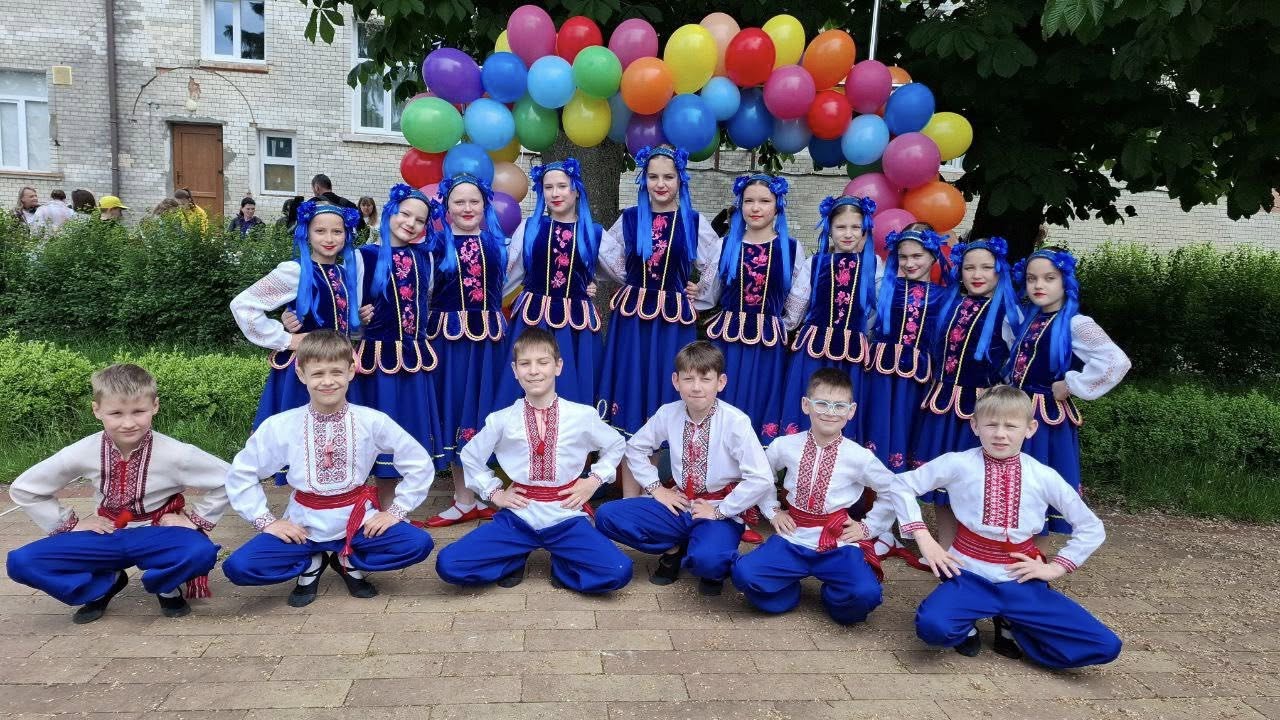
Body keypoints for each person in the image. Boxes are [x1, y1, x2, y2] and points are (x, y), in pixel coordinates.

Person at [893, 385, 1122, 669]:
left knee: (1105, 645)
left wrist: (1056, 568)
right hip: (968, 574)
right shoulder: (958, 464)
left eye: (1011, 426)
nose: (1000, 434)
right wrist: (924, 538)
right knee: (933, 626)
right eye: (991, 424)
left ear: (1030, 428)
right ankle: (967, 628)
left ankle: (1013, 621)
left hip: (1019, 579)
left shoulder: (1043, 476)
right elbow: (900, 485)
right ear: (975, 426)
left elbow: (1091, 527)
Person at [221, 331, 437, 607]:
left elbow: (418, 461)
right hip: (304, 525)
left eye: (336, 372)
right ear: (301, 374)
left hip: (358, 521)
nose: (327, 381)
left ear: (351, 371)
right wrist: (268, 522)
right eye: (318, 373)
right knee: (239, 567)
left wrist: (395, 511)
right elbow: (242, 472)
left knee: (417, 544)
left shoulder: (372, 421)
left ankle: (346, 558)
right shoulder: (281, 425)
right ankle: (311, 559)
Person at [5, 364, 230, 623]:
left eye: (139, 411)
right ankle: (104, 583)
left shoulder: (177, 453)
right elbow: (26, 487)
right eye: (116, 413)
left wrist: (194, 520)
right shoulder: (83, 450)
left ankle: (165, 586)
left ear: (155, 406)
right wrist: (70, 524)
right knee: (22, 562)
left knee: (200, 551)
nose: (128, 423)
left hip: (158, 531)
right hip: (106, 533)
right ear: (97, 410)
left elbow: (231, 479)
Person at [436, 328, 633, 593]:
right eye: (525, 364)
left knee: (618, 570)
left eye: (543, 362)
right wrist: (495, 493)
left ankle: (563, 562)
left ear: (558, 366)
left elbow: (616, 444)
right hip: (519, 514)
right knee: (449, 564)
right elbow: (471, 455)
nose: (534, 371)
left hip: (565, 514)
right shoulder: (502, 419)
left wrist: (593, 481)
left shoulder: (581, 415)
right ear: (515, 370)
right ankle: (513, 556)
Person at [731, 368, 916, 624]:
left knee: (866, 595)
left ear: (851, 411)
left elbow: (893, 488)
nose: (830, 412)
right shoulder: (784, 445)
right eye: (822, 404)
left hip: (838, 541)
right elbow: (762, 476)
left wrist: (869, 527)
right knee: (745, 574)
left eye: (839, 406)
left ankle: (834, 597)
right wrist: (773, 511)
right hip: (793, 536)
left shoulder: (859, 457)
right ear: (806, 405)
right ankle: (787, 593)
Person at [594, 341, 774, 596]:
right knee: (607, 516)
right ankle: (673, 550)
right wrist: (657, 489)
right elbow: (635, 448)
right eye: (688, 379)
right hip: (679, 503)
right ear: (676, 381)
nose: (696, 387)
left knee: (709, 562)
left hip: (718, 508)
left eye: (705, 379)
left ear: (721, 382)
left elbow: (761, 478)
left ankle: (711, 560)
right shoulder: (669, 413)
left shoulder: (736, 422)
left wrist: (720, 510)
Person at [595, 145, 721, 496]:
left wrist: (701, 290)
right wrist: (628, 281)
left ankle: (654, 492)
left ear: (681, 180)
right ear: (644, 180)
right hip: (632, 321)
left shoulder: (693, 222)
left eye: (668, 177)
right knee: (630, 392)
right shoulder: (630, 219)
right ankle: (629, 497)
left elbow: (718, 261)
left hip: (672, 324)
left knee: (661, 393)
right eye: (653, 177)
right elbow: (606, 255)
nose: (661, 184)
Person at [230, 200, 366, 485]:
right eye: (320, 231)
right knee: (302, 439)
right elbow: (243, 305)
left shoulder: (344, 273)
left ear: (346, 235)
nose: (329, 238)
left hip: (338, 369)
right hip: (304, 371)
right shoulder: (294, 271)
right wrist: (286, 338)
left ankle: (332, 494)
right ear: (307, 233)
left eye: (337, 232)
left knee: (332, 439)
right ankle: (305, 499)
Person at [1006, 247, 1130, 535]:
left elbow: (1116, 361)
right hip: (1017, 412)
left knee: (1037, 484)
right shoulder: (1028, 319)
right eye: (1032, 279)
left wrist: (1071, 384)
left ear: (1065, 281)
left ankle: (1034, 553)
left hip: (1044, 416)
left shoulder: (1076, 323)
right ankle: (1005, 548)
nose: (1039, 285)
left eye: (1049, 278)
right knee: (1014, 483)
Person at [912, 237, 1022, 547]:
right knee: (943, 479)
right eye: (969, 267)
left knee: (974, 479)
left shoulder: (1009, 313)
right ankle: (947, 547)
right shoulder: (951, 304)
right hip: (944, 404)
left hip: (980, 411)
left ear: (999, 271)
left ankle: (976, 547)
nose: (977, 274)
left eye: (986, 267)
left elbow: (1018, 362)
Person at [420, 173, 510, 528]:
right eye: (459, 201)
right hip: (449, 342)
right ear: (447, 206)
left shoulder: (499, 243)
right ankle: (463, 499)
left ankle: (485, 491)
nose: (467, 208)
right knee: (458, 409)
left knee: (485, 411)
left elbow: (517, 278)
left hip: (489, 344)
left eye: (475, 201)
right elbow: (418, 288)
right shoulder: (434, 245)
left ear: (485, 205)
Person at [352, 184, 443, 508]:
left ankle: (403, 506)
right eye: (405, 214)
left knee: (410, 427)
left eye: (419, 220)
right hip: (378, 361)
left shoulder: (426, 257)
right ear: (390, 211)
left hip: (414, 357)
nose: (411, 223)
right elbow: (345, 307)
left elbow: (425, 301)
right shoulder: (364, 256)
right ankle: (385, 504)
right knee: (383, 428)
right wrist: (358, 318)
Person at [704, 173, 809, 444]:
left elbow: (798, 299)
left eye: (764, 201)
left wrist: (778, 325)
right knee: (723, 396)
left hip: (767, 343)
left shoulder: (791, 248)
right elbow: (708, 293)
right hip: (727, 339)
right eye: (749, 201)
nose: (755, 207)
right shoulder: (725, 244)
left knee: (761, 399)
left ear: (778, 205)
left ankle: (754, 464)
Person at [499, 158, 604, 408]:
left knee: (569, 382)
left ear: (576, 190)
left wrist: (589, 281)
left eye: (562, 186)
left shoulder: (593, 232)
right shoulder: (531, 227)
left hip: (575, 323)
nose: (555, 193)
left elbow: (622, 270)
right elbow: (510, 273)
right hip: (532, 320)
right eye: (548, 187)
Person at [778, 195, 879, 443]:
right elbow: (797, 303)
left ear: (865, 231)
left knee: (844, 399)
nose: (848, 233)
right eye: (841, 227)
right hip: (814, 347)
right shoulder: (815, 263)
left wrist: (863, 335)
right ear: (829, 230)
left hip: (851, 351)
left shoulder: (874, 265)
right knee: (811, 394)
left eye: (856, 227)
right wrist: (787, 326)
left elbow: (878, 311)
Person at [863, 223, 951, 471]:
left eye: (917, 256)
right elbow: (867, 324)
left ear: (933, 255)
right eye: (903, 256)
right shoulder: (884, 287)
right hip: (880, 372)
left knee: (907, 425)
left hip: (918, 376)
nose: (909, 263)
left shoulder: (945, 296)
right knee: (876, 422)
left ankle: (899, 482)